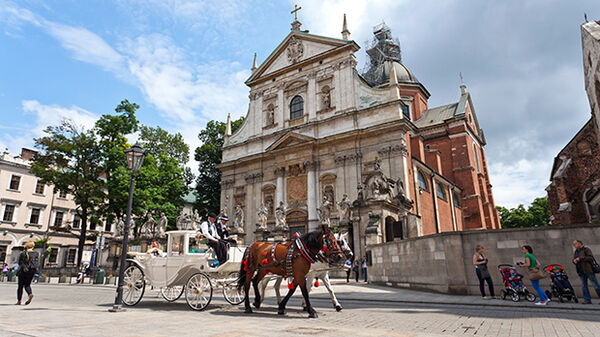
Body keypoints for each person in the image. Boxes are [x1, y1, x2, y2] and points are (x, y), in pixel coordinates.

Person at [573, 239, 600, 304]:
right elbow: (575, 259)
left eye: (575, 244)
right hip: (581, 271)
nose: (574, 245)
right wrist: (574, 261)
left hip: (588, 270)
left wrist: (580, 258)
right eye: (574, 244)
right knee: (584, 286)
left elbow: (590, 258)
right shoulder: (576, 251)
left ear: (579, 243)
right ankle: (587, 300)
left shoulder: (586, 249)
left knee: (595, 285)